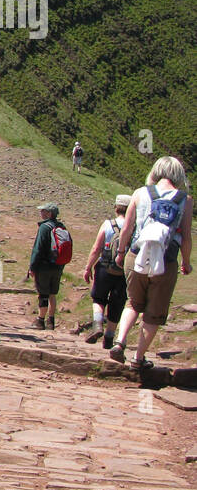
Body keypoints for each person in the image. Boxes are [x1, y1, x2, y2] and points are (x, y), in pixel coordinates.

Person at [107, 156, 194, 385]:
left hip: (136, 256)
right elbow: (186, 235)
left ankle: (120, 342)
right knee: (153, 313)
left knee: (133, 303)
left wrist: (120, 252)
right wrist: (186, 262)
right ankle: (138, 359)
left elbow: (127, 227)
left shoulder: (140, 193)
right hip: (165, 261)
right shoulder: (185, 199)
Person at [82, 194, 131, 347]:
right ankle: (109, 338)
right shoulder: (134, 227)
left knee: (98, 298)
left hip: (104, 267)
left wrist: (88, 267)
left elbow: (97, 248)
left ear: (116, 208)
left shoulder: (108, 224)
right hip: (124, 272)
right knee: (117, 304)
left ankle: (97, 324)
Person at [27, 203, 70, 330]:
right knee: (53, 293)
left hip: (44, 266)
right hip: (58, 266)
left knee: (43, 294)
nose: (41, 213)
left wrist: (32, 267)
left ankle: (40, 320)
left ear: (49, 213)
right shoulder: (62, 227)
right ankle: (51, 321)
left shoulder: (44, 228)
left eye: (43, 211)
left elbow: (38, 249)